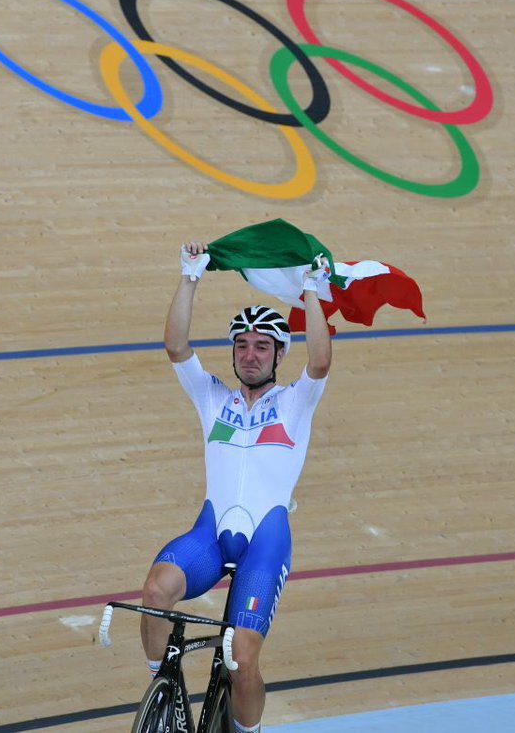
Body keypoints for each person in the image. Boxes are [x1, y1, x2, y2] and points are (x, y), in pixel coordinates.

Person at [139, 241, 333, 733]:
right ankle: (161, 691)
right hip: (211, 535)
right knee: (155, 591)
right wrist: (189, 278)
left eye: (262, 346)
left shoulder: (295, 404)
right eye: (242, 345)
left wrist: (310, 291)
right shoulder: (212, 399)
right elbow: (176, 347)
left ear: (278, 355)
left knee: (242, 660)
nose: (250, 355)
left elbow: (322, 361)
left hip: (264, 546)